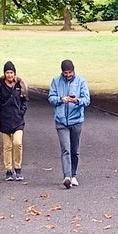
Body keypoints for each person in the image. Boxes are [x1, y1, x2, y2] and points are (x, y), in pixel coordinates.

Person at [47, 58, 90, 188]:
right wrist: (61, 99)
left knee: (74, 150)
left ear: (73, 71)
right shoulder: (56, 81)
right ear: (62, 72)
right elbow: (51, 98)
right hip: (61, 121)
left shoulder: (81, 81)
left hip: (76, 120)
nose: (68, 75)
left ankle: (73, 175)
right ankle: (66, 176)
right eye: (65, 73)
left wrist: (77, 100)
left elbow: (87, 100)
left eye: (70, 72)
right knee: (66, 149)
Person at [0, 60, 27, 182]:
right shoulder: (0, 85)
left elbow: (24, 101)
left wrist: (21, 112)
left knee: (17, 143)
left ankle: (18, 168)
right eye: (7, 72)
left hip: (18, 120)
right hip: (4, 119)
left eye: (11, 72)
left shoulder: (20, 85)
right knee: (7, 146)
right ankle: (8, 170)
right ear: (4, 73)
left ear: (14, 73)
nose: (10, 75)